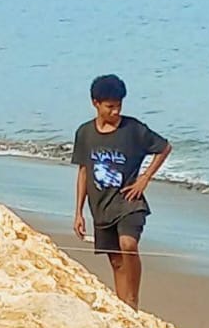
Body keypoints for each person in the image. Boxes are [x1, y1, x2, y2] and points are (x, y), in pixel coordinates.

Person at [72, 74, 172, 309]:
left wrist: (144, 179)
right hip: (101, 206)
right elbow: (83, 172)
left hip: (129, 202)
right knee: (116, 261)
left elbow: (164, 148)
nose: (116, 111)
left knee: (128, 245)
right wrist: (78, 212)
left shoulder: (133, 129)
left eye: (119, 105)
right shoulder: (85, 133)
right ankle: (123, 308)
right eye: (110, 106)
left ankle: (133, 299)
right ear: (95, 103)